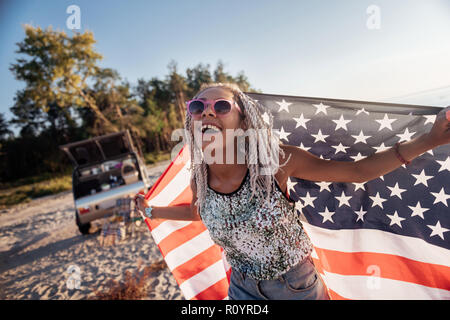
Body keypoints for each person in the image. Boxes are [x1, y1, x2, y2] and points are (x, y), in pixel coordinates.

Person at [134, 82, 450, 300]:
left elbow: (356, 172)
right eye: (198, 106)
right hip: (242, 287)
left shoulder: (275, 160)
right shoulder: (200, 177)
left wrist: (430, 140)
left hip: (296, 287)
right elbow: (198, 211)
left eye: (221, 105)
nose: (207, 111)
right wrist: (152, 211)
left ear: (244, 121)